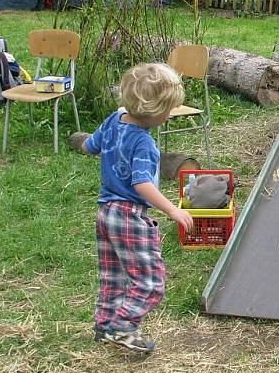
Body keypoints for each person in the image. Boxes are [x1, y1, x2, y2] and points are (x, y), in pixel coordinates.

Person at [81, 62, 194, 353]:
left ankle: (105, 324)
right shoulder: (143, 142)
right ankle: (124, 325)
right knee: (150, 282)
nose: (169, 116)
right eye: (167, 111)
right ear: (153, 112)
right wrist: (172, 210)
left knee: (113, 275)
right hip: (130, 215)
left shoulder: (114, 119)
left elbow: (91, 146)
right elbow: (141, 184)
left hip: (105, 213)